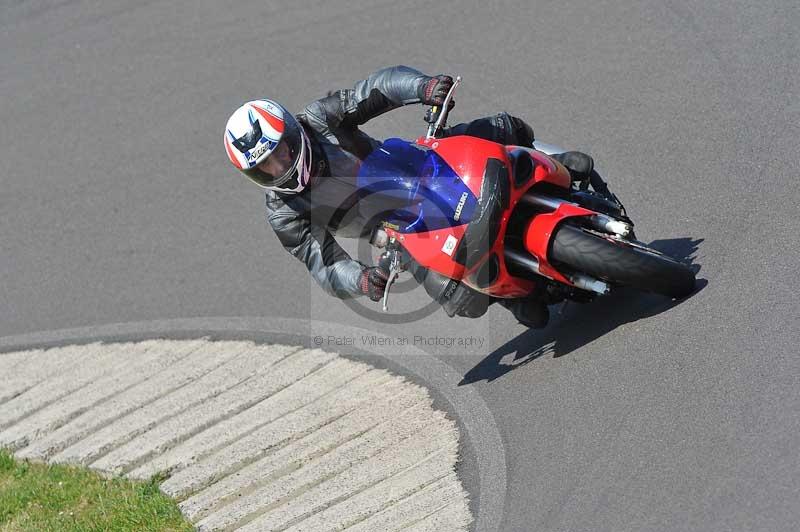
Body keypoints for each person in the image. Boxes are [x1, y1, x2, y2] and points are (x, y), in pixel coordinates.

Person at [223, 66, 614, 328]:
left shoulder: (319, 118)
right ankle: (510, 295)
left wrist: (421, 88)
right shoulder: (284, 213)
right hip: (396, 233)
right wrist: (362, 281)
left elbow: (374, 90)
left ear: (292, 133)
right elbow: (323, 263)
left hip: (408, 166)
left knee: (498, 127)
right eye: (266, 167)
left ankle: (552, 161)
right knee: (462, 301)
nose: (280, 166)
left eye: (282, 151)